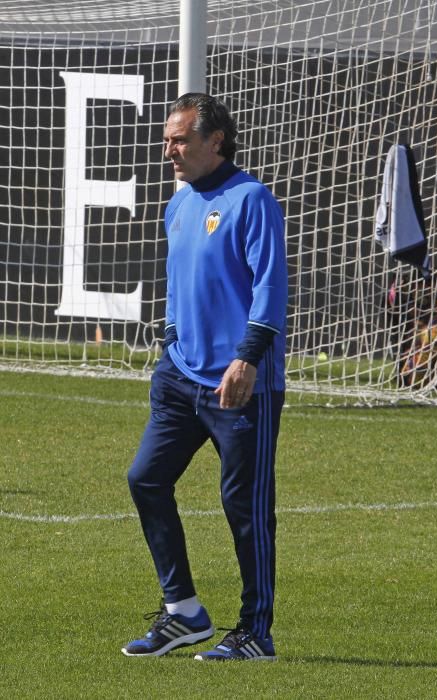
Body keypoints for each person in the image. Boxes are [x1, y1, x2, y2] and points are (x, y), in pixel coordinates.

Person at [121, 93, 287, 662]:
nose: (170, 149)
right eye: (169, 138)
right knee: (145, 479)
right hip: (179, 377)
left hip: (240, 385)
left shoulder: (251, 199)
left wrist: (248, 356)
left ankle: (254, 632)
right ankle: (183, 613)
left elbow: (270, 287)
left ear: (214, 141)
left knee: (244, 506)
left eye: (180, 139)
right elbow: (178, 282)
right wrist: (169, 347)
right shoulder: (180, 202)